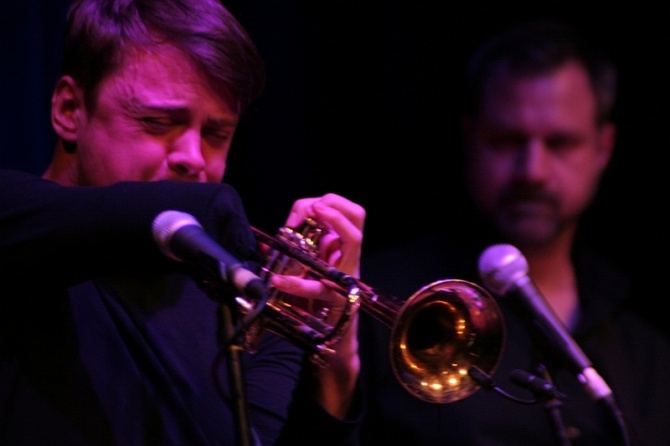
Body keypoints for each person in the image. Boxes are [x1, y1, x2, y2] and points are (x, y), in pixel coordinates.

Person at [0, 0, 364, 445]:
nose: (193, 158)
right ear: (69, 109)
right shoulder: (13, 223)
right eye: (157, 123)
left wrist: (337, 362)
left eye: (216, 134)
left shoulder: (231, 298)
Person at [358, 20, 670, 446]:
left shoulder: (648, 352)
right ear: (470, 138)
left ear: (604, 147)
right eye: (507, 141)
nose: (532, 171)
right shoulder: (381, 306)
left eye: (560, 143)